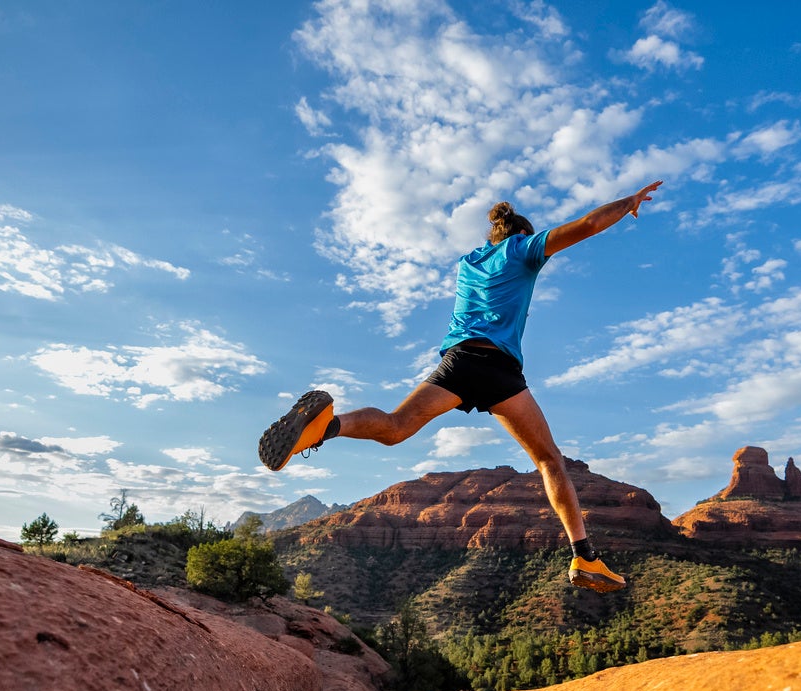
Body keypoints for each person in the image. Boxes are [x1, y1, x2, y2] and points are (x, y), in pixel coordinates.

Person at [258, 180, 664, 593]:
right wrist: (628, 203)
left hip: (458, 362)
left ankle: (325, 427)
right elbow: (589, 223)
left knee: (397, 426)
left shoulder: (468, 263)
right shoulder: (523, 248)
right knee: (549, 460)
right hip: (499, 370)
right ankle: (584, 556)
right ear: (523, 234)